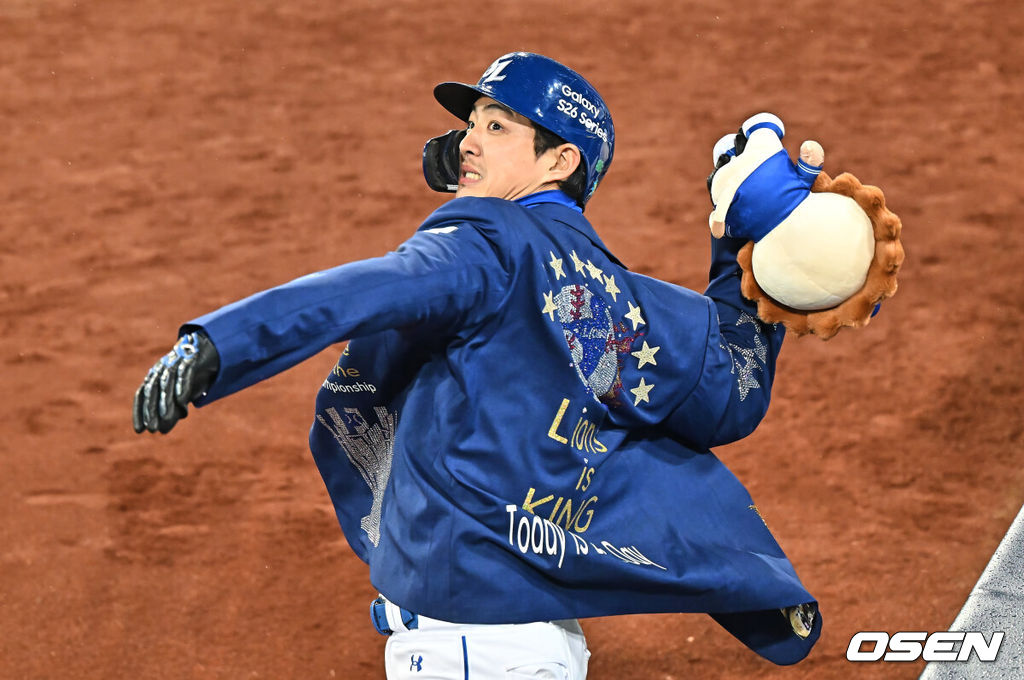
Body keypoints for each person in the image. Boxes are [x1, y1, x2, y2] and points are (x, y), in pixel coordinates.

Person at [134, 52, 821, 679]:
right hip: (541, 642)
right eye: (472, 125)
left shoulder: (482, 245)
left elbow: (359, 292)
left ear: (559, 162)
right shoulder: (625, 303)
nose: (467, 141)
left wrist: (221, 345)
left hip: (467, 648)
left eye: (498, 128)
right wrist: (749, 248)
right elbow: (732, 390)